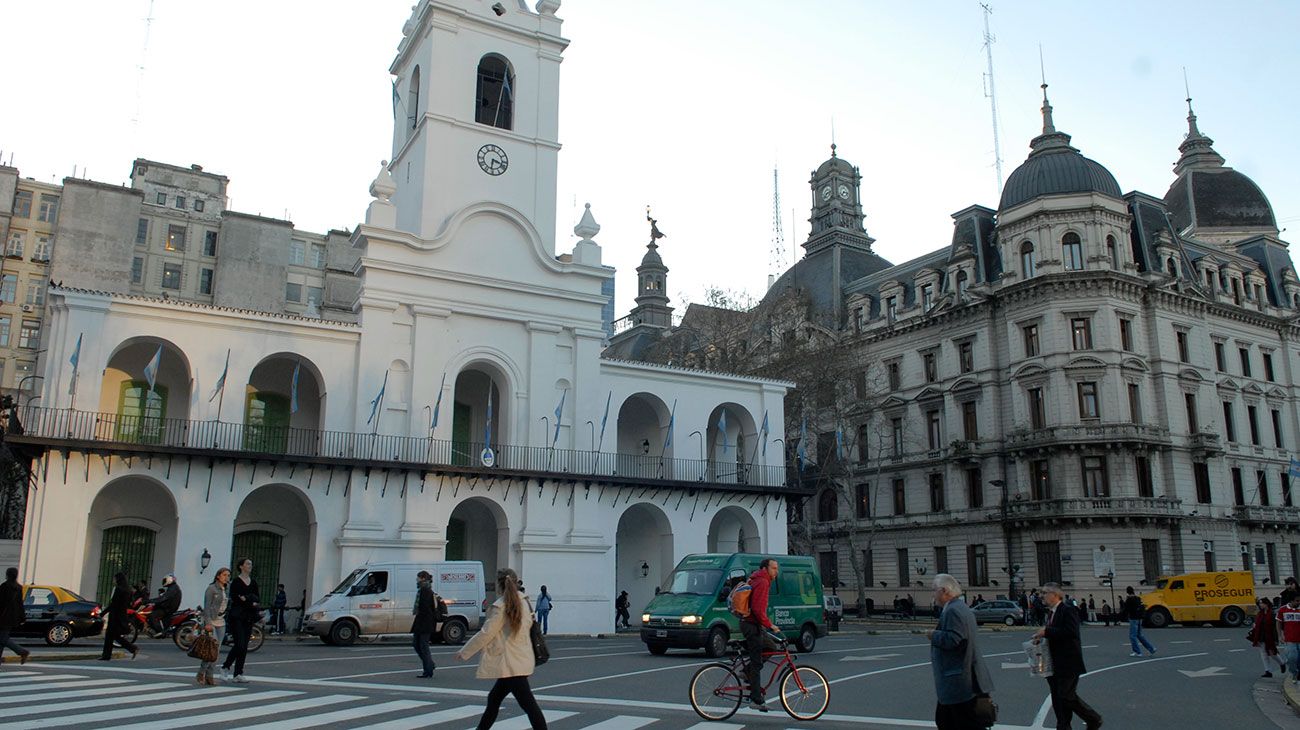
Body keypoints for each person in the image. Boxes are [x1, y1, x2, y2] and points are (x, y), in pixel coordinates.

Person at [456, 568, 547, 729]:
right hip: (520, 659)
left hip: (509, 662)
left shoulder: (502, 606)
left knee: (528, 705)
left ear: (499, 585)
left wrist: (465, 651)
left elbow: (486, 633)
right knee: (495, 699)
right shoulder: (524, 602)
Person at [928, 573, 994, 730]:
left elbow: (954, 639)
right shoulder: (960, 607)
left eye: (934, 590)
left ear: (944, 591)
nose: (933, 595)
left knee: (959, 722)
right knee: (947, 720)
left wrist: (933, 635)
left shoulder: (953, 610)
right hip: (963, 678)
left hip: (958, 679)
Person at [1034, 583, 1102, 730]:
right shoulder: (1051, 613)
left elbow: (1071, 632)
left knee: (1066, 695)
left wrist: (1047, 632)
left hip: (1068, 662)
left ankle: (1093, 718)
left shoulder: (1067, 610)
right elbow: (1054, 633)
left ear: (1055, 594)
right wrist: (1041, 637)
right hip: (1054, 663)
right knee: (1058, 699)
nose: (1042, 596)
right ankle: (1063, 726)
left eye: (1045, 593)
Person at [741, 558, 780, 713]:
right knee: (757, 663)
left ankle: (746, 672)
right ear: (765, 568)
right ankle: (756, 699)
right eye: (774, 568)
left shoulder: (756, 578)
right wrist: (770, 625)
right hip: (752, 624)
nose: (776, 571)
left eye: (777, 568)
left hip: (750, 623)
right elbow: (758, 609)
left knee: (771, 646)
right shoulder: (762, 582)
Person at [221, 557, 259, 683]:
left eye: (251, 564)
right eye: (248, 563)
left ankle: (238, 673)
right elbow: (236, 598)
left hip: (249, 616)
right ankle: (226, 666)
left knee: (244, 646)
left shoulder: (253, 582)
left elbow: (256, 598)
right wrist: (249, 600)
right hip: (237, 616)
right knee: (239, 644)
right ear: (241, 566)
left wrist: (247, 599)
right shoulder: (236, 582)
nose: (250, 566)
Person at [198, 567, 230, 686]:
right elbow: (207, 607)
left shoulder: (226, 589)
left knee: (216, 651)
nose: (227, 578)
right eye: (224, 575)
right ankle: (202, 672)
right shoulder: (211, 589)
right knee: (211, 649)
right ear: (218, 576)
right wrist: (207, 623)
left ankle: (210, 675)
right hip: (212, 620)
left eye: (228, 575)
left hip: (221, 621)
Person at [100, 572, 139, 661]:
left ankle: (106, 655)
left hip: (115, 615)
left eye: (115, 578)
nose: (113, 580)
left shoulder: (118, 589)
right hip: (122, 614)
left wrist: (103, 613)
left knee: (110, 635)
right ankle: (132, 648)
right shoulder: (128, 590)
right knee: (115, 636)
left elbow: (113, 604)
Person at [0, 567, 30, 664]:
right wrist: (22, 617)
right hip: (12, 618)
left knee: (3, 638)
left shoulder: (4, 586)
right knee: (2, 639)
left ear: (7, 575)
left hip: (3, 617)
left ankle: (22, 651)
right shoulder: (18, 587)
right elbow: (20, 604)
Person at [412, 570, 438, 678]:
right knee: (418, 644)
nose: (416, 579)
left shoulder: (425, 590)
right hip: (423, 622)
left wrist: (419, 615)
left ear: (422, 578)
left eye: (418, 577)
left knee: (422, 646)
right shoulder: (424, 589)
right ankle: (429, 665)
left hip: (424, 623)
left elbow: (426, 608)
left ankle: (428, 670)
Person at [1250, 597, 1284, 678]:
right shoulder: (1259, 614)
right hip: (1261, 636)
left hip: (1270, 636)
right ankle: (1267, 671)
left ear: (1266, 604)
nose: (1260, 605)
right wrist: (1254, 626)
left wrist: (1276, 638)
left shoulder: (1272, 614)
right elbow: (1257, 623)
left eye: (1262, 603)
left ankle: (1282, 663)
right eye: (1260, 603)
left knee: (1272, 653)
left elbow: (1275, 628)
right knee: (1263, 654)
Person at [1122, 586, 1155, 657]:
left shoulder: (1129, 600)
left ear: (1127, 592)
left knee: (1132, 636)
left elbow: (1126, 610)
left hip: (1133, 618)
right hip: (1140, 618)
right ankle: (1151, 648)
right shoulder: (1138, 598)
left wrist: (1121, 617)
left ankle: (1137, 651)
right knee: (1139, 635)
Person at [1277, 592, 1300, 683]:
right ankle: (1294, 673)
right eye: (1297, 601)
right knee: (1292, 658)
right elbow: (1278, 622)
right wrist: (1280, 635)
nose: (1298, 602)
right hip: (1290, 639)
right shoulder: (1283, 610)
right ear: (1291, 601)